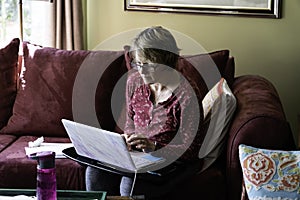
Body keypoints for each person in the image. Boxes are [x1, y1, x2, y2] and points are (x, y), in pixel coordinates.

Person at [85, 26, 205, 199]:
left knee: (130, 185)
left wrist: (154, 147)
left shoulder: (187, 94)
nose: (141, 70)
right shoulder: (134, 80)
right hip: (138, 157)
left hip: (172, 164)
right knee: (95, 172)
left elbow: (192, 151)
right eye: (138, 64)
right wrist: (128, 140)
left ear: (166, 61)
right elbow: (130, 123)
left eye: (148, 65)